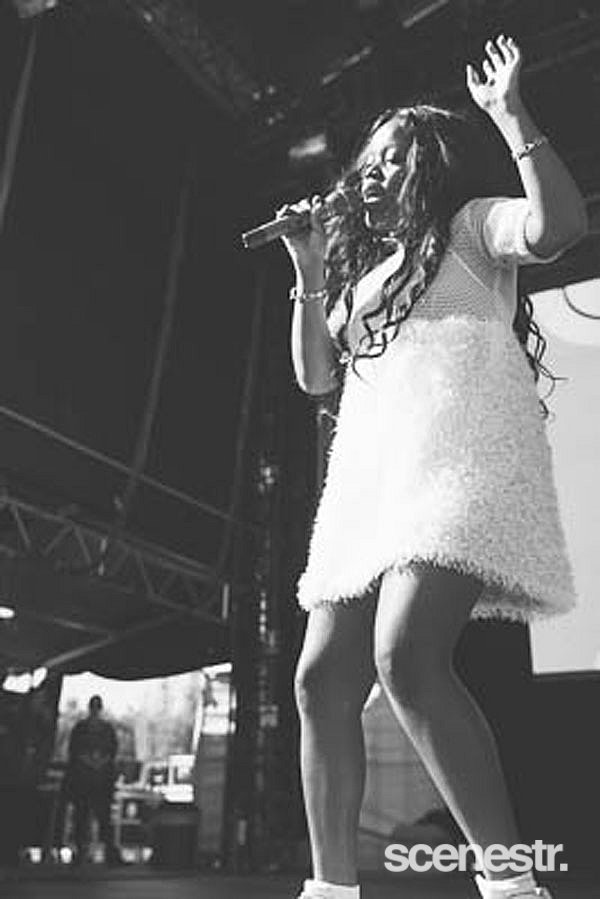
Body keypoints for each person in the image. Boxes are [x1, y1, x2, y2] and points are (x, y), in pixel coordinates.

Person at [277, 34, 587, 899]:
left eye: (391, 158)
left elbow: (560, 228)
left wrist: (510, 115)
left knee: (407, 655)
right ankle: (330, 889)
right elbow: (316, 376)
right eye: (367, 161)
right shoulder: (369, 279)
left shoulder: (472, 227)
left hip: (455, 461)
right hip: (370, 482)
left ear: (428, 166)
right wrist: (308, 266)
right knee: (318, 679)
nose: (371, 173)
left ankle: (512, 884)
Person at [65, 695, 120, 865]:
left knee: (103, 818)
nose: (95, 710)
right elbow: (74, 751)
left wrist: (100, 762)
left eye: (97, 707)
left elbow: (112, 751)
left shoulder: (106, 729)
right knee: (81, 818)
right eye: (94, 707)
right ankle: (80, 853)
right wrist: (90, 761)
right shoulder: (81, 728)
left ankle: (109, 854)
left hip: (101, 781)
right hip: (83, 779)